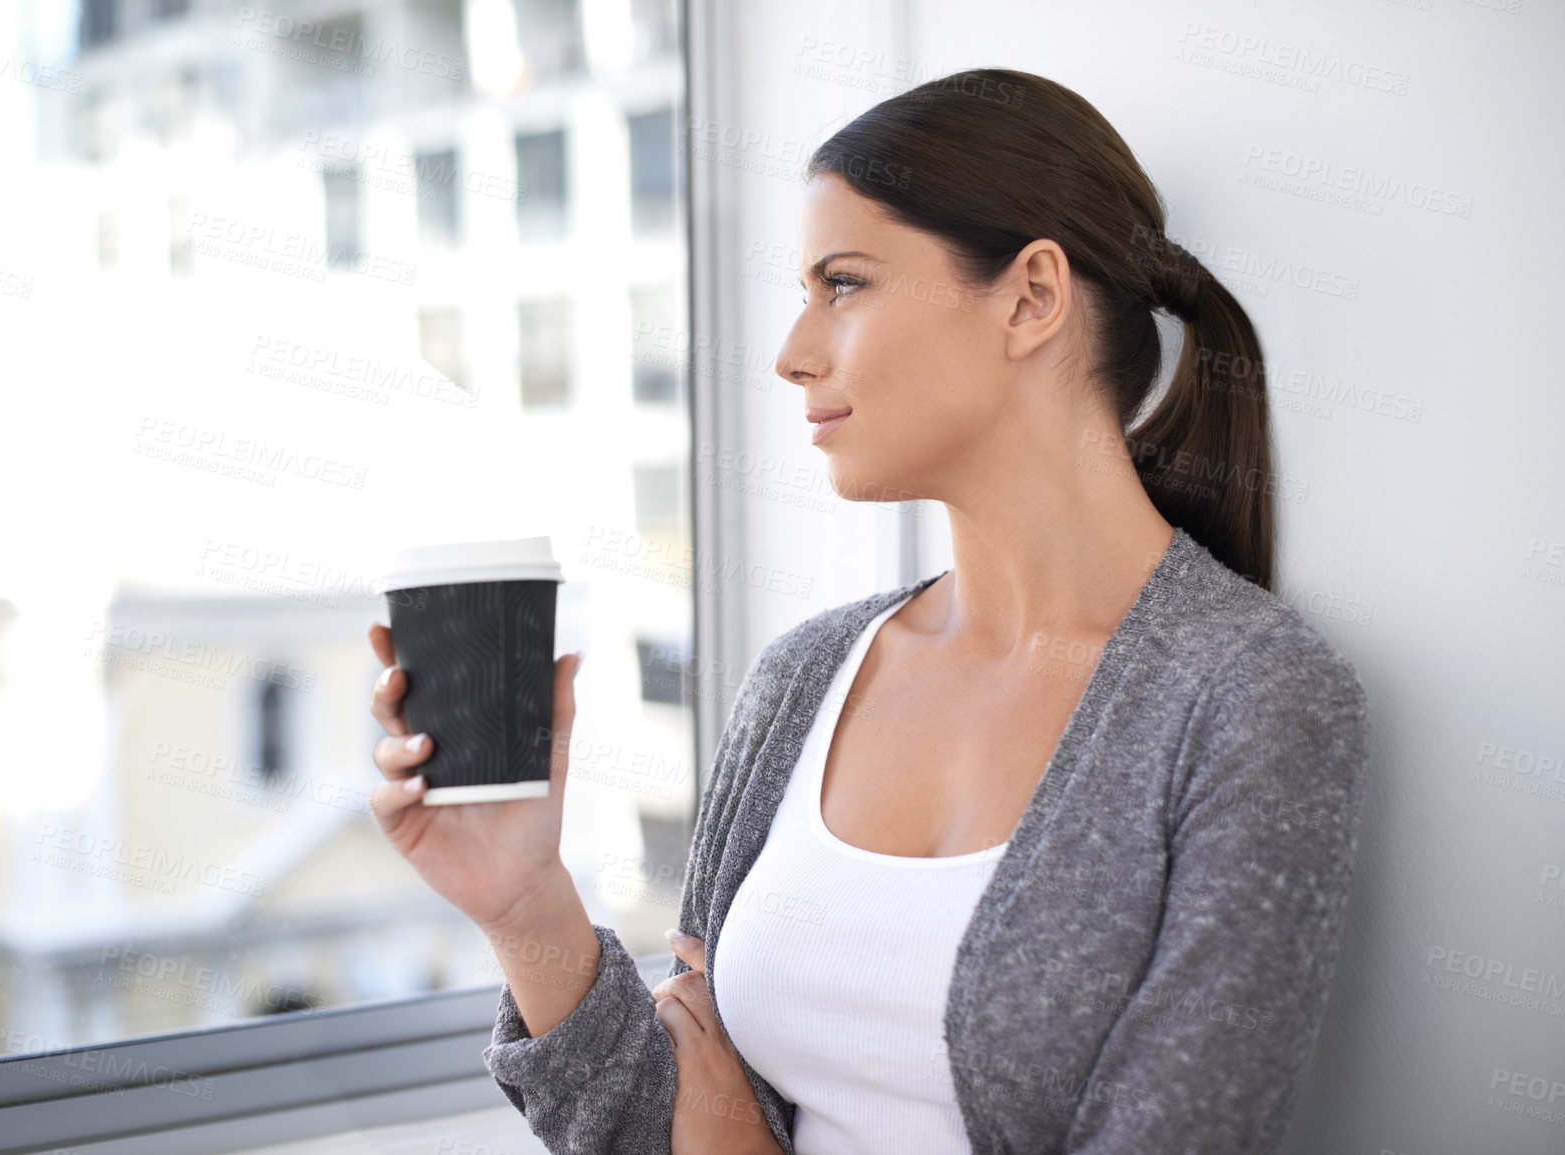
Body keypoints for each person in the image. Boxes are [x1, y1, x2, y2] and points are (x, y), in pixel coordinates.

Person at [365, 67, 1370, 1155]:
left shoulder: (1253, 703)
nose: (794, 353)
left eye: (843, 284)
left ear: (1032, 296)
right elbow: (675, 1116)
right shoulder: (807, 677)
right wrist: (527, 906)